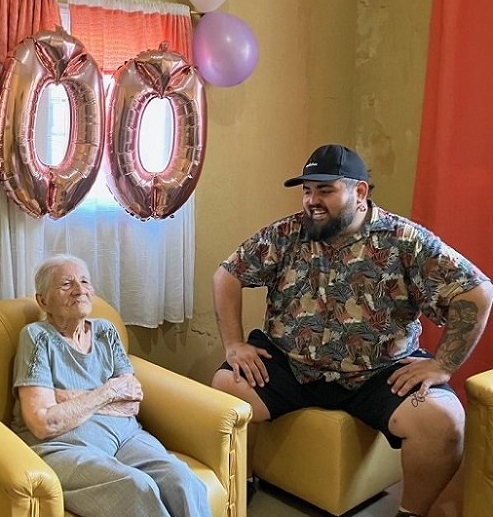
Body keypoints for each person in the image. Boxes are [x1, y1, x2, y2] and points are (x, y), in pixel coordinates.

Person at [211, 144, 493, 517]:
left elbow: (477, 291)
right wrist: (233, 344)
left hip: (377, 372)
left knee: (445, 423)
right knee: (225, 387)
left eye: (325, 190)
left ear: (359, 192)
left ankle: (411, 513)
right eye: (307, 190)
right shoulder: (285, 233)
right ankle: (243, 482)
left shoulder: (404, 240)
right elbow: (227, 276)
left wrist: (443, 365)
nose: (312, 201)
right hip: (291, 363)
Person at [11, 254, 210, 517]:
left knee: (182, 479)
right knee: (137, 486)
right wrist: (109, 391)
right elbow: (44, 422)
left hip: (126, 437)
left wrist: (69, 399)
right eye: (66, 284)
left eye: (84, 281)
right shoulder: (37, 337)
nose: (79, 290)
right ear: (43, 301)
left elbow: (132, 401)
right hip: (65, 447)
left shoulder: (106, 331)